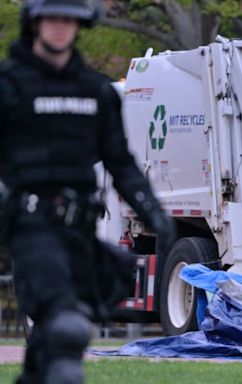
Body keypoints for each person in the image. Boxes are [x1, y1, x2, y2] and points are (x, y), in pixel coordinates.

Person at [0, 1, 175, 383]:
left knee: (52, 340)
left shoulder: (96, 91)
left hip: (81, 231)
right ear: (36, 23)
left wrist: (152, 210)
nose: (61, 28)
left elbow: (120, 161)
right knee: (67, 329)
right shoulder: (9, 85)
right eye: (53, 19)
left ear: (81, 26)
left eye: (70, 20)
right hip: (31, 228)